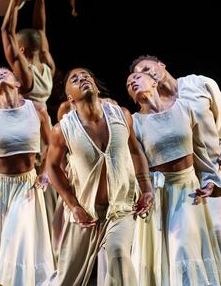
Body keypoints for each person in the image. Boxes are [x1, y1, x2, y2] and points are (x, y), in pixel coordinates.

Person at [130, 55, 221, 284]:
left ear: (161, 65)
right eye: (138, 74)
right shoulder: (143, 115)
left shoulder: (198, 84)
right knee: (185, 238)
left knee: (217, 229)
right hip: (174, 179)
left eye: (147, 69)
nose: (146, 75)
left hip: (210, 165)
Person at [47, 68, 152, 286]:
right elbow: (53, 167)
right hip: (86, 214)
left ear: (95, 86)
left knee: (118, 254)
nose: (82, 78)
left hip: (120, 209)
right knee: (68, 278)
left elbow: (134, 151)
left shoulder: (121, 115)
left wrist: (146, 187)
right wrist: (74, 206)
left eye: (86, 76)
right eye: (74, 79)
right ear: (70, 97)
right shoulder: (63, 130)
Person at [0, 67, 54, 285]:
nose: (0, 74)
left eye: (5, 72)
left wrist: (45, 172)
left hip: (27, 185)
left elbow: (51, 145)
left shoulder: (36, 109)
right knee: (3, 242)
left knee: (17, 238)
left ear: (18, 83)